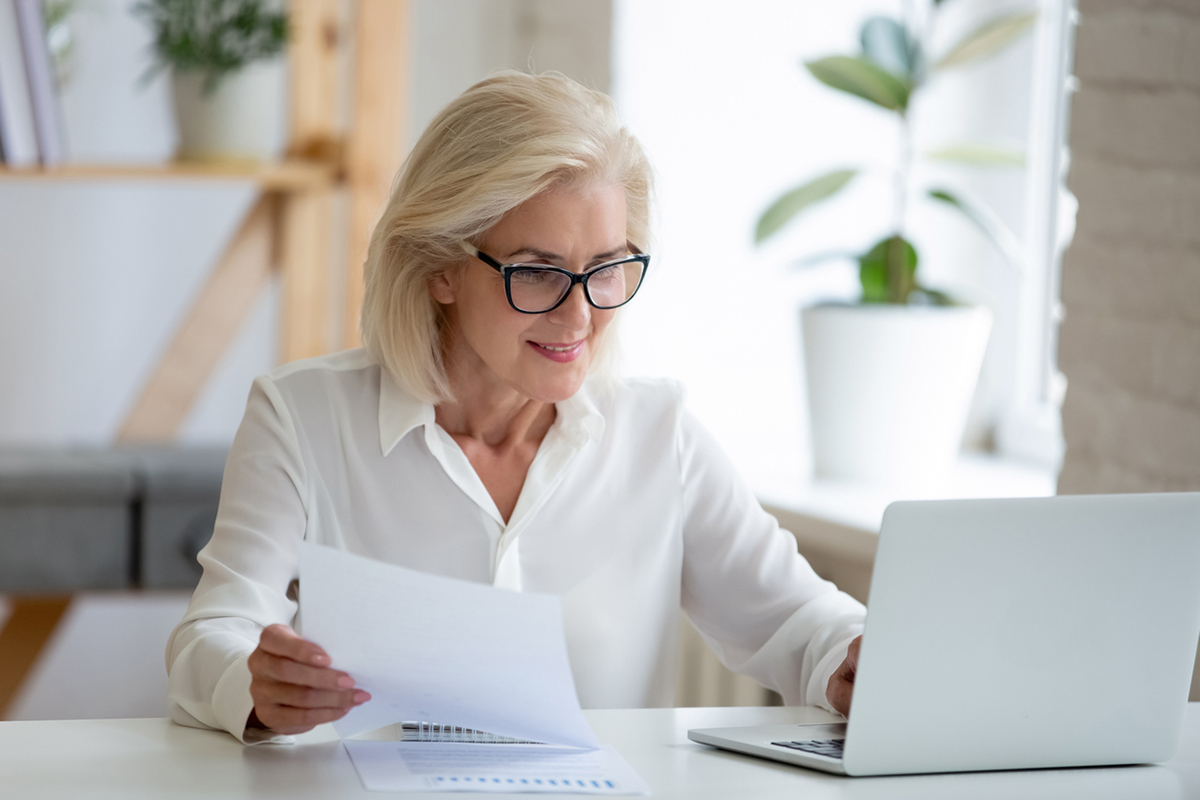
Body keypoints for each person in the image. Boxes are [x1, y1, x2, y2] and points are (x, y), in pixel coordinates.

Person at [165, 71, 866, 743]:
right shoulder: (303, 418)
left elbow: (797, 619)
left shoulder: (658, 434)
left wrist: (851, 661)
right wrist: (256, 685)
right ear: (439, 264)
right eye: (537, 271)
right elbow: (213, 635)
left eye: (607, 268)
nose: (581, 313)